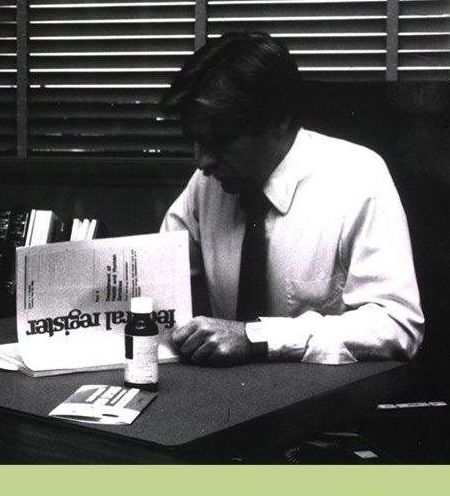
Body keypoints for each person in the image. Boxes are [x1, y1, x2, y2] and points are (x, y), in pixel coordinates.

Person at [160, 31, 424, 366]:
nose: (203, 162)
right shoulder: (206, 185)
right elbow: (157, 283)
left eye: (221, 141)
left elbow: (396, 326)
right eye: (195, 142)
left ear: (280, 119)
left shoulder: (358, 178)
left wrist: (258, 338)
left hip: (326, 407)